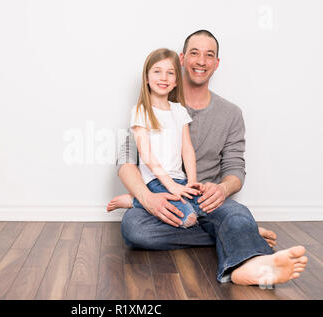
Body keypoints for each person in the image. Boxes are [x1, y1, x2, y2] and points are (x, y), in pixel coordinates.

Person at [116, 30, 307, 286]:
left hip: (205, 199)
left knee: (238, 214)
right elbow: (126, 161)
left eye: (209, 55)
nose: (201, 61)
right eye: (194, 53)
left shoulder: (230, 114)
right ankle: (236, 236)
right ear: (182, 59)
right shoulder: (150, 107)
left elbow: (236, 169)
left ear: (217, 63)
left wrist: (222, 187)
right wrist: (146, 198)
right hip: (163, 198)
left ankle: (246, 264)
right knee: (135, 228)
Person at [107, 48, 206, 228]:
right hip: (155, 181)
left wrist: (191, 182)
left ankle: (237, 232)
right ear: (146, 77)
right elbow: (147, 155)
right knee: (189, 219)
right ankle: (135, 201)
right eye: (157, 71)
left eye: (170, 73)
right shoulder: (141, 111)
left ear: (176, 81)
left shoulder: (179, 110)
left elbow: (187, 150)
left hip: (180, 179)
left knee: (210, 209)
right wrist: (171, 186)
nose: (163, 78)